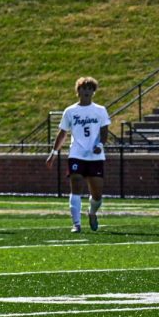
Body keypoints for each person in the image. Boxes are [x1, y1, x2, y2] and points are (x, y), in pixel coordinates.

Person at [46, 77, 110, 233]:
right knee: (76, 185)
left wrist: (100, 145)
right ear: (78, 91)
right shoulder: (70, 111)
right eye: (84, 88)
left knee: (97, 195)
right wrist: (53, 153)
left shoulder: (100, 110)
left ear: (93, 92)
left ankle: (92, 212)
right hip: (76, 153)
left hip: (95, 156)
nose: (87, 91)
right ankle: (76, 224)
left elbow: (104, 131)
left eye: (90, 89)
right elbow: (63, 133)